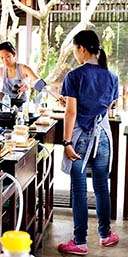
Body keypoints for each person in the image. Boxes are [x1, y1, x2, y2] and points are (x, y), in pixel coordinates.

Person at [58, 30, 119, 255]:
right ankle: (105, 235)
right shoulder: (112, 77)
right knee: (102, 187)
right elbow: (106, 109)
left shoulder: (74, 76)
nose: (75, 54)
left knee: (80, 189)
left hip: (80, 137)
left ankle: (80, 241)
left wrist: (66, 142)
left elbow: (71, 112)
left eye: (75, 49)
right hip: (103, 137)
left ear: (82, 48)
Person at [0, 41, 40, 106]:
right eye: (2, 58)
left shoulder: (24, 68)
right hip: (4, 105)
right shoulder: (0, 71)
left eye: (8, 57)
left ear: (14, 54)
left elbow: (40, 84)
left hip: (21, 105)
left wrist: (28, 85)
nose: (5, 60)